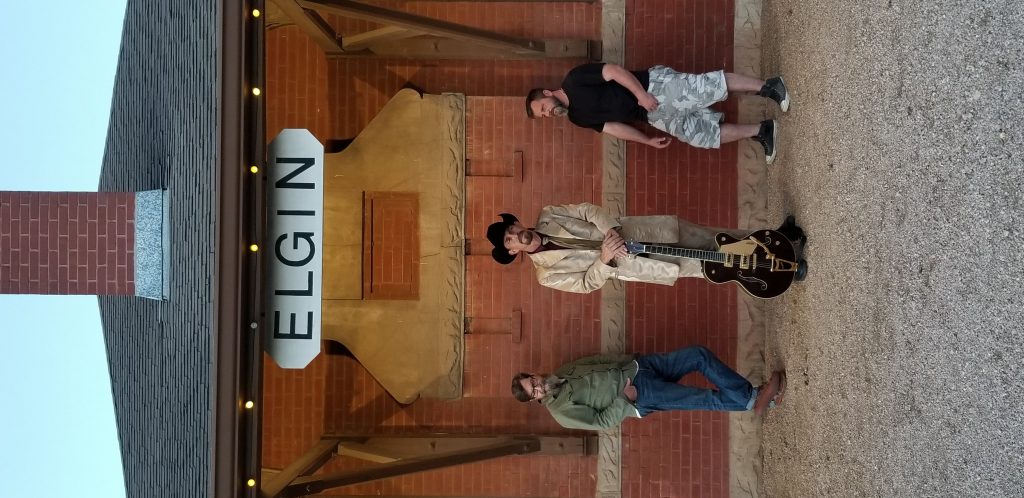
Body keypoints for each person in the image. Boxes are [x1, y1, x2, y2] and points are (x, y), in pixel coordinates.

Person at [525, 63, 789, 164]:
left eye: (543, 108)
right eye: (543, 116)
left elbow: (614, 71)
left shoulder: (574, 80)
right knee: (701, 136)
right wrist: (646, 140)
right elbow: (613, 128)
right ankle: (762, 130)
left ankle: (769, 86)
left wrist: (641, 94)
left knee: (707, 87)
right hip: (651, 116)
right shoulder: (576, 118)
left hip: (653, 87)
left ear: (547, 93)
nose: (548, 114)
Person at [485, 202, 753, 294]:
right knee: (709, 266)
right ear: (512, 251)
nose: (515, 235)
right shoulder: (546, 275)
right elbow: (586, 284)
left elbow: (587, 210)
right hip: (636, 263)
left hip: (643, 231)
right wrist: (604, 259)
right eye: (509, 240)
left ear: (516, 223)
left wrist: (609, 230)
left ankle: (766, 242)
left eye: (511, 229)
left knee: (713, 237)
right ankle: (763, 273)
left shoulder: (549, 214)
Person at [512, 346, 786, 430]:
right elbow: (600, 421)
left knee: (698, 355)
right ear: (534, 400)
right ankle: (756, 398)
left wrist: (629, 361)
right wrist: (624, 399)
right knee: (702, 398)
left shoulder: (563, 371)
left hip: (640, 368)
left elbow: (597, 360)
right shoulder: (561, 413)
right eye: (533, 391)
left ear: (534, 375)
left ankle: (754, 399)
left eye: (532, 382)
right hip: (639, 397)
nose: (538, 387)